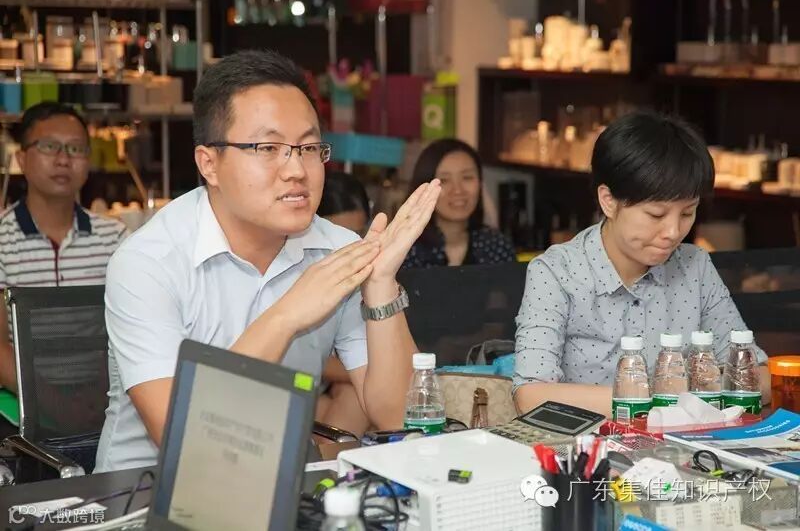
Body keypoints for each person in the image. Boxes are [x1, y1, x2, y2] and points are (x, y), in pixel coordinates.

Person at [94, 50, 441, 472]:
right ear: (209, 164)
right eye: (268, 147)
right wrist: (287, 315)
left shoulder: (338, 251)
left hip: (276, 483)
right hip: (143, 490)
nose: (296, 170)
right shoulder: (148, 262)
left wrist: (381, 285)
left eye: (308, 147)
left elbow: (398, 417)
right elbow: (182, 439)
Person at [513, 111, 770, 417]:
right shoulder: (557, 272)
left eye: (687, 213)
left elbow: (759, 376)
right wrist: (665, 404)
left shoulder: (695, 266)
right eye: (656, 215)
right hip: (590, 441)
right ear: (608, 201)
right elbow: (531, 395)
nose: (673, 231)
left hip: (684, 441)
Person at [0, 102, 127, 437]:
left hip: (102, 402)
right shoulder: (2, 239)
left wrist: (99, 398)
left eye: (75, 148)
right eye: (49, 146)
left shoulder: (115, 239)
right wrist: (53, 403)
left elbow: (130, 329)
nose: (63, 159)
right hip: (19, 406)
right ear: (22, 159)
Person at [316, 171, 372, 436]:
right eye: (337, 236)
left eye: (357, 234)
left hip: (334, 388)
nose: (348, 248)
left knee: (356, 395)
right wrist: (374, 374)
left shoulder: (371, 273)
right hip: (291, 385)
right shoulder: (292, 272)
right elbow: (304, 360)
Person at [402, 139, 516, 269]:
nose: (457, 190)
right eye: (444, 180)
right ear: (423, 187)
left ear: (480, 183)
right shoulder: (406, 249)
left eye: (467, 177)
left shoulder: (496, 246)